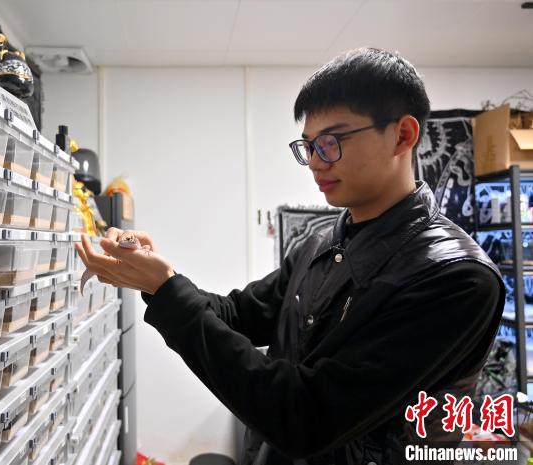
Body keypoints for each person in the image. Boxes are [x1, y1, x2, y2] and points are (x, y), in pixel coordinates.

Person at [75, 48, 505, 465]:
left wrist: (167, 290)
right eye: (309, 146)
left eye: (332, 142)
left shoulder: (457, 279)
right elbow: (236, 314)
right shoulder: (320, 243)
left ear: (402, 135)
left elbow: (306, 418)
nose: (315, 162)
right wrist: (157, 279)